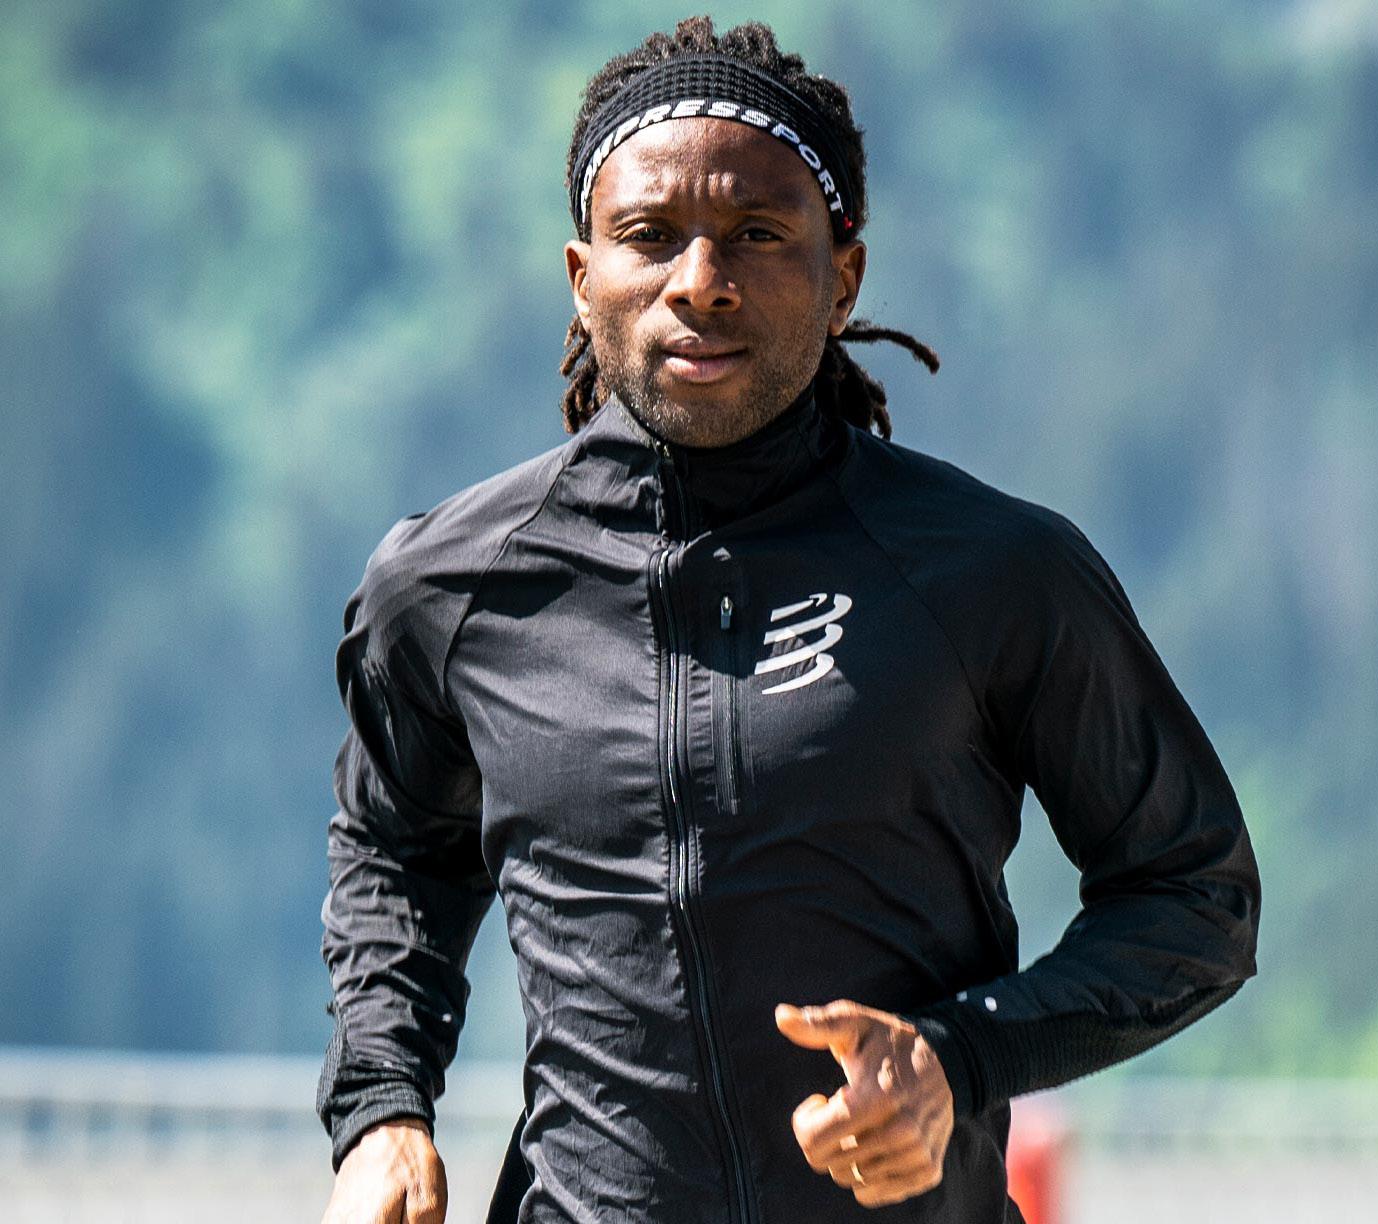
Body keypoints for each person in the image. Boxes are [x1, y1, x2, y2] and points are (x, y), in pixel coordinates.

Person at [316, 16, 1261, 1224]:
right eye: (649, 237)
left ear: (843, 276)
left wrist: (958, 1057)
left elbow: (1194, 896)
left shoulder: (991, 572)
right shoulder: (451, 586)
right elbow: (395, 851)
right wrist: (382, 1108)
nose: (699, 280)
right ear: (582, 277)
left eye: (757, 235)